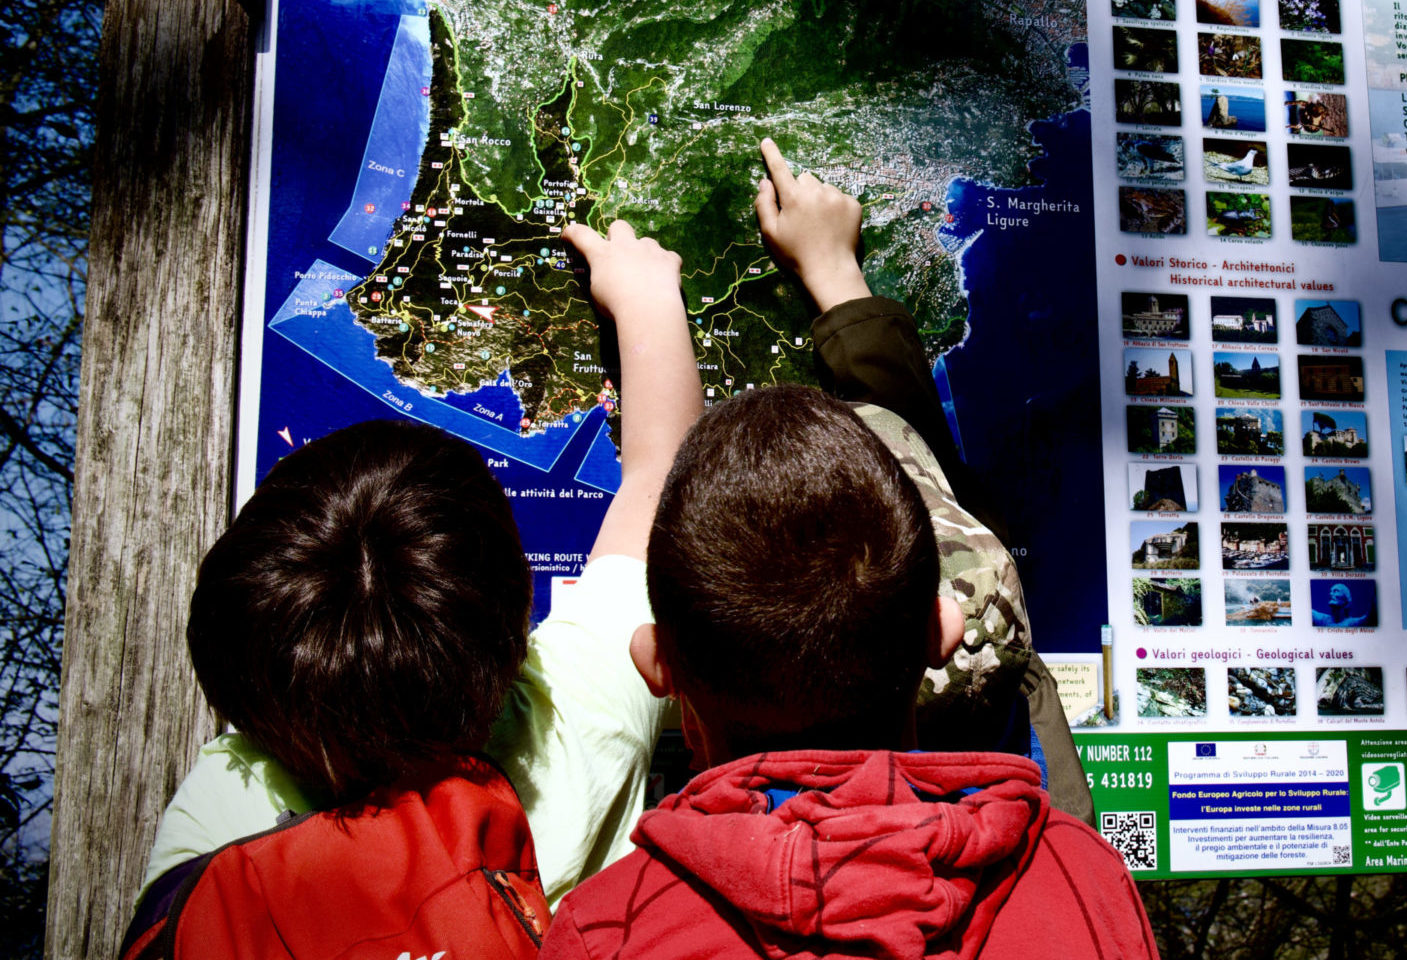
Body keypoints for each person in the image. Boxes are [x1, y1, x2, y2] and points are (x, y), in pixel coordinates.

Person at [538, 158, 1156, 954]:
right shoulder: (1082, 884)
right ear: (943, 628)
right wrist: (838, 278)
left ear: (658, 664)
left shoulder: (608, 929)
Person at [126, 228, 698, 951]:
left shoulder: (221, 823)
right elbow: (662, 479)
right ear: (517, 619)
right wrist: (649, 302)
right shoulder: (576, 723)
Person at [747, 138, 1092, 823]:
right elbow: (946, 514)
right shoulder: (1057, 838)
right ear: (948, 625)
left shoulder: (729, 854)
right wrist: (838, 275)